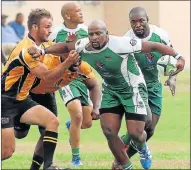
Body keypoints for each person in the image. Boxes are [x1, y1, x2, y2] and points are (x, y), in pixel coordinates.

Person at [28, 20, 185, 170]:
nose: (94, 37)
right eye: (91, 34)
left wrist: (178, 57)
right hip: (111, 90)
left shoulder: (121, 44)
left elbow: (154, 46)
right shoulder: (84, 45)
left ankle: (142, 147)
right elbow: (66, 46)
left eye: (98, 33)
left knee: (136, 134)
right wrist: (42, 50)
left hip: (133, 89)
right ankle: (125, 166)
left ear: (107, 34)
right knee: (109, 131)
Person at [1, 8, 80, 170]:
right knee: (7, 152)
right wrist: (68, 62)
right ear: (35, 27)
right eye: (47, 26)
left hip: (22, 99)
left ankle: (48, 166)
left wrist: (71, 45)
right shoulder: (26, 49)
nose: (50, 30)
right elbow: (48, 76)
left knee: (52, 121)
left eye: (51, 26)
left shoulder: (42, 45)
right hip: (5, 100)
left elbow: (60, 48)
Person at [111, 6, 182, 169]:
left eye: (141, 20)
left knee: (150, 129)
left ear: (147, 19)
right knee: (144, 121)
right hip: (135, 86)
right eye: (133, 22)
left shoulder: (161, 35)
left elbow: (172, 58)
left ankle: (124, 152)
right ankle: (122, 159)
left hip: (154, 85)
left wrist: (172, 77)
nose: (138, 25)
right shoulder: (126, 40)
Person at [55, 2, 98, 166]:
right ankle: (76, 159)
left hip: (82, 78)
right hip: (65, 78)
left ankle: (71, 125)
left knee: (85, 122)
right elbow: (50, 52)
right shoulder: (56, 32)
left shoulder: (86, 31)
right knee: (78, 115)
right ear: (67, 16)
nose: (81, 13)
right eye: (77, 11)